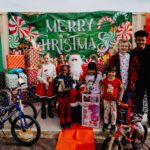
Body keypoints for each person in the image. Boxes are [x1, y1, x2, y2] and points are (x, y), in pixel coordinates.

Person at [128, 30, 150, 125]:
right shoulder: (132, 53)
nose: (141, 42)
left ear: (146, 40)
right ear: (135, 40)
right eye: (139, 40)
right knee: (138, 98)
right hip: (139, 80)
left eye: (143, 40)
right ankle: (139, 116)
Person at [101, 65, 124, 133]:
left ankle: (113, 125)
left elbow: (122, 89)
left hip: (114, 100)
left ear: (115, 73)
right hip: (106, 99)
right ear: (107, 72)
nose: (111, 73)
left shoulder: (117, 81)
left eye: (113, 72)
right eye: (110, 72)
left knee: (113, 113)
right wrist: (102, 96)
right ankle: (105, 124)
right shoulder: (104, 80)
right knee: (106, 112)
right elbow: (102, 88)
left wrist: (121, 96)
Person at [36, 52, 56, 119]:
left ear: (50, 58)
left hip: (50, 84)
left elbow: (54, 74)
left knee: (50, 100)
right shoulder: (41, 66)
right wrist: (44, 81)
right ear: (43, 59)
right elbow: (38, 76)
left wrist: (52, 78)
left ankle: (50, 112)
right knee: (43, 100)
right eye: (45, 58)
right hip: (43, 84)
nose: (46, 59)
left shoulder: (53, 66)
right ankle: (43, 112)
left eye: (47, 58)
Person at [68, 54, 87, 123]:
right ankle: (73, 116)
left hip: (81, 85)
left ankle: (81, 116)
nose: (74, 61)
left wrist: (82, 84)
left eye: (76, 59)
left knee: (81, 94)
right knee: (72, 94)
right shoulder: (68, 68)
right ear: (70, 61)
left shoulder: (83, 68)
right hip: (72, 85)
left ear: (79, 60)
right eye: (72, 60)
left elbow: (86, 78)